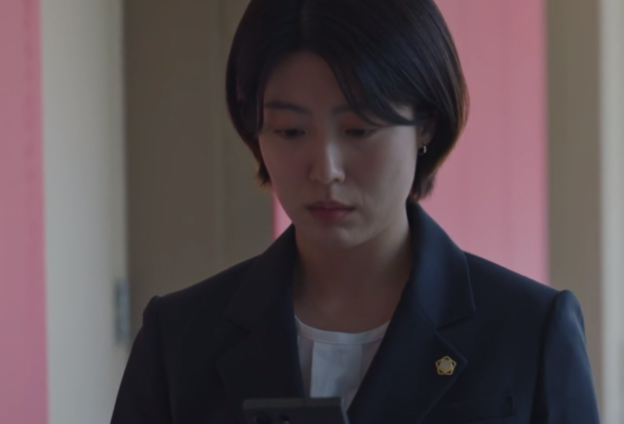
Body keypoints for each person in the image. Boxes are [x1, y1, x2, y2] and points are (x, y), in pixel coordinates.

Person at [111, 0, 600, 423]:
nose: (325, 170)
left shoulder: (529, 330)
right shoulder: (179, 339)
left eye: (359, 130)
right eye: (289, 131)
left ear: (426, 125)